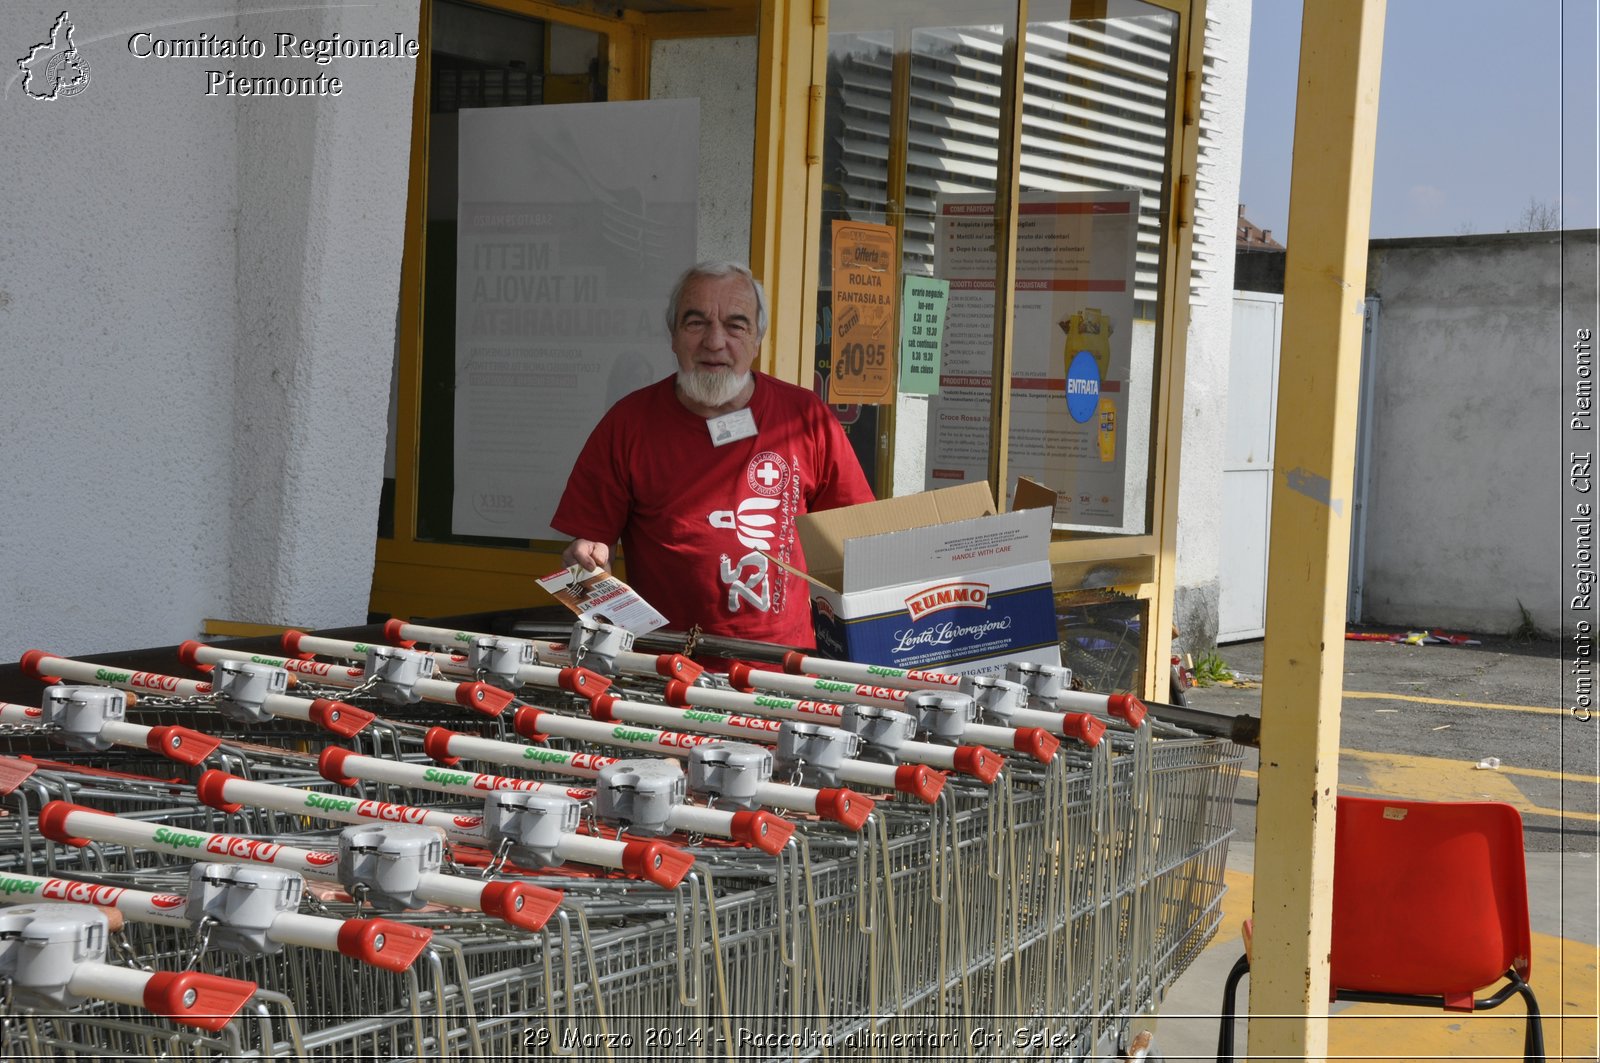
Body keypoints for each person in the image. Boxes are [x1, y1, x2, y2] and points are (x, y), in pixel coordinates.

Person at [552, 261, 874, 648]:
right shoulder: (626, 424)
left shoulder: (806, 419)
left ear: (758, 339)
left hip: (785, 671)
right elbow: (588, 552)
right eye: (696, 323)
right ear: (672, 336)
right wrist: (587, 565)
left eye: (736, 325)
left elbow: (858, 547)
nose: (715, 342)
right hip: (664, 671)